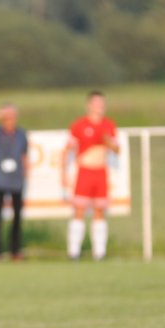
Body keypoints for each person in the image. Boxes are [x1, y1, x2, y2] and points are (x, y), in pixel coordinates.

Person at [61, 91, 119, 261]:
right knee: (79, 210)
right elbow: (68, 150)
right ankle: (74, 252)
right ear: (89, 105)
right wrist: (63, 174)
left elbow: (117, 149)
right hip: (85, 172)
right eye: (96, 103)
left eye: (102, 103)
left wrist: (110, 143)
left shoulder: (109, 125)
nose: (100, 106)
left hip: (100, 172)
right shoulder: (79, 125)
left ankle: (99, 252)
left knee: (100, 211)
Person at [0, 103, 29, 260]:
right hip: (0, 180)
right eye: (7, 117)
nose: (10, 120)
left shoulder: (21, 134)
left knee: (17, 218)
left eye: (12, 117)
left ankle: (15, 251)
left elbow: (24, 156)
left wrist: (25, 176)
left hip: (16, 180)